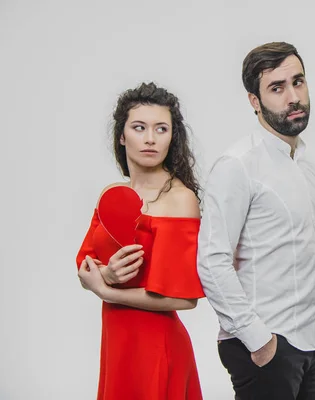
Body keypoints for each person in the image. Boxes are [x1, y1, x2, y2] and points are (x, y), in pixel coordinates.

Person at [197, 42, 315, 400]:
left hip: (308, 344)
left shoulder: (303, 162)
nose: (293, 96)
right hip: (266, 347)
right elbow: (211, 262)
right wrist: (259, 340)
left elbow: (290, 246)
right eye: (277, 88)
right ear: (254, 101)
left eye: (298, 82)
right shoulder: (237, 165)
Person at [76, 82, 205, 400]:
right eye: (139, 127)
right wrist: (104, 275)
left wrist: (107, 291)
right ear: (122, 136)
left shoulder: (181, 200)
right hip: (117, 346)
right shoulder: (112, 196)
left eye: (161, 128)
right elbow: (86, 265)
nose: (150, 138)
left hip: (158, 348)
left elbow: (185, 299)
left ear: (172, 136)